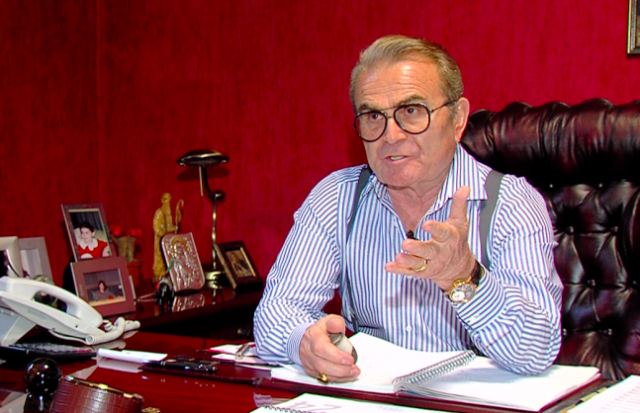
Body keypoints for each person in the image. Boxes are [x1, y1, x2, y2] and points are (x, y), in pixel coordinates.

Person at [253, 35, 562, 383]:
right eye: (373, 116)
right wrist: (303, 344)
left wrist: (463, 276)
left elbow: (537, 350)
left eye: (412, 111)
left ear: (458, 119)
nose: (391, 135)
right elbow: (274, 314)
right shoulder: (337, 198)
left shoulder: (511, 204)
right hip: (370, 399)